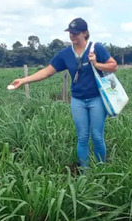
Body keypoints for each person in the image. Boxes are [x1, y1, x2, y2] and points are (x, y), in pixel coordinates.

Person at [9, 18, 118, 169]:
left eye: (75, 33)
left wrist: (96, 64)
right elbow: (47, 72)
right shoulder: (65, 54)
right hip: (78, 101)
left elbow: (113, 66)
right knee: (82, 137)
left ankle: (101, 171)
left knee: (97, 137)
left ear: (85, 33)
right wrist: (23, 80)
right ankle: (86, 174)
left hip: (96, 99)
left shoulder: (96, 48)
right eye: (70, 33)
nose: (72, 36)